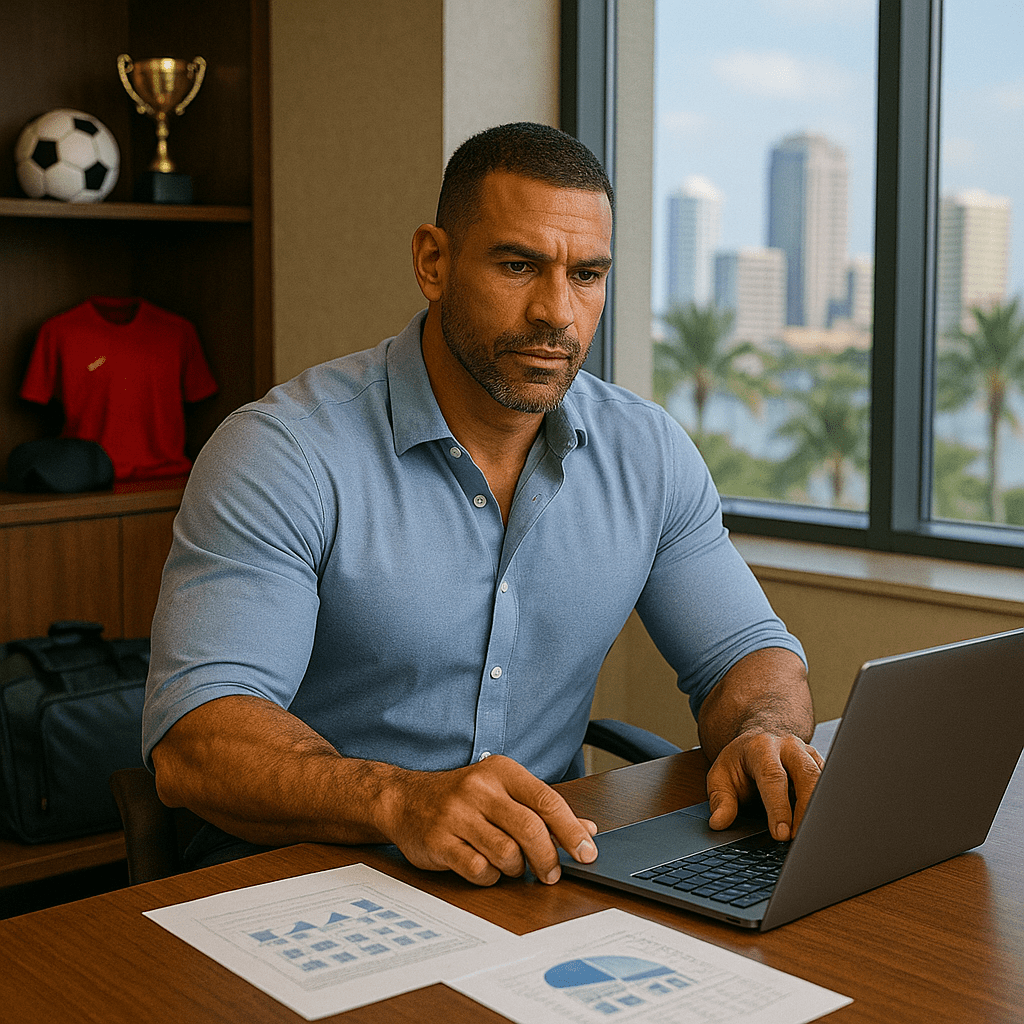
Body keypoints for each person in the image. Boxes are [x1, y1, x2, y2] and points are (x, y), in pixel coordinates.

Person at [143, 122, 822, 887]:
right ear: (433, 262)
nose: (557, 314)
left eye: (588, 275)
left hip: (539, 874)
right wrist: (402, 801)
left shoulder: (648, 453)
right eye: (518, 265)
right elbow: (196, 741)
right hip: (302, 879)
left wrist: (764, 734)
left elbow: (748, 655)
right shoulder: (283, 453)